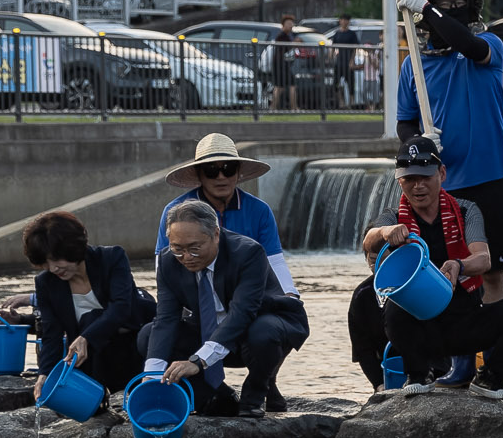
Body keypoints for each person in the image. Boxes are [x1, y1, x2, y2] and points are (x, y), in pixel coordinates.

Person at [351, 138, 503, 392]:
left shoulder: (466, 210)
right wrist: (386, 231)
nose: (418, 186)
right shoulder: (394, 217)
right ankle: (418, 374)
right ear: (400, 181)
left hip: (464, 321)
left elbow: (484, 258)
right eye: (410, 179)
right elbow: (368, 240)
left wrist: (458, 266)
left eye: (425, 177)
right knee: (391, 308)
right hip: (419, 326)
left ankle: (492, 377)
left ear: (441, 174)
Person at [156, 133, 307, 408]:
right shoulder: (175, 213)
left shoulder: (258, 211)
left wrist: (289, 295)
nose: (221, 176)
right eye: (212, 170)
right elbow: (166, 266)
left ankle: (264, 382)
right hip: (200, 303)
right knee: (153, 333)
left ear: (239, 173)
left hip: (247, 295)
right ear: (199, 174)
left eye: (229, 168)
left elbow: (274, 259)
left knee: (269, 326)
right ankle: (214, 391)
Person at [395, 0, 503, 283]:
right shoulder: (414, 64)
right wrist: (418, 141)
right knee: (442, 271)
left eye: (459, 4)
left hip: (488, 174)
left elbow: (468, 44)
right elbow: (404, 120)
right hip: (441, 182)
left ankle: (494, 328)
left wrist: (426, 6)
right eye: (444, 4)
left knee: (491, 272)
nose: (452, 9)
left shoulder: (489, 46)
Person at [143, 199, 308, 417]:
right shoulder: (167, 262)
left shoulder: (248, 252)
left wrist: (198, 361)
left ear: (216, 234)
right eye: (177, 249)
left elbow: (243, 313)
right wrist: (152, 375)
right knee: (146, 335)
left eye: (194, 248)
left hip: (257, 325)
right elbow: (166, 319)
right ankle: (215, 396)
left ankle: (255, 395)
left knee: (264, 332)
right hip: (208, 329)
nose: (186, 258)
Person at [22, 210, 153, 397]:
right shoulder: (45, 283)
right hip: (92, 359)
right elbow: (52, 333)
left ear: (73, 247)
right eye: (46, 262)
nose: (53, 268)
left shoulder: (111, 258)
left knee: (91, 319)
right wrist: (45, 373)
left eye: (57, 259)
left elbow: (121, 307)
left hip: (131, 342)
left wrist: (86, 337)